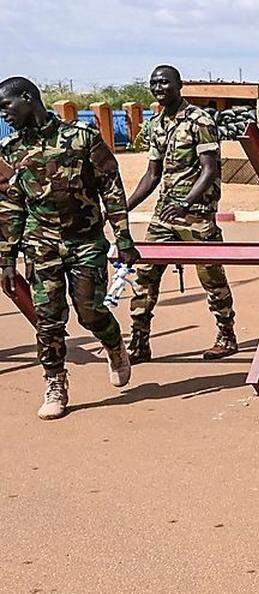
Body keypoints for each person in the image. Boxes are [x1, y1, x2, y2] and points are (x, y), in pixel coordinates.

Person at [0, 77, 137, 419]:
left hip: (85, 241)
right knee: (47, 319)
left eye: (6, 106)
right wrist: (7, 259)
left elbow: (112, 190)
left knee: (89, 311)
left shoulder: (82, 138)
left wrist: (123, 238)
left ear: (27, 98)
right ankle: (54, 382)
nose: (5, 116)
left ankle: (113, 343)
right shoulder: (11, 149)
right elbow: (11, 206)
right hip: (40, 244)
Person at [125, 65, 236, 363]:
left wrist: (186, 203)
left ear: (179, 85)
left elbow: (210, 169)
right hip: (165, 214)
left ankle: (227, 336)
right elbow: (152, 174)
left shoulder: (199, 120)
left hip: (196, 212)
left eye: (165, 82)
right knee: (145, 275)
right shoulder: (157, 123)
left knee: (211, 276)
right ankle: (138, 343)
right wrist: (124, 207)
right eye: (154, 83)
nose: (159, 87)